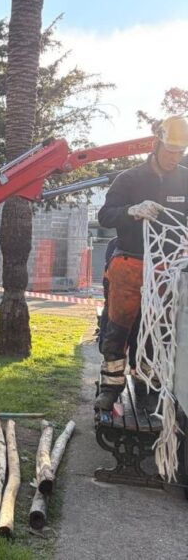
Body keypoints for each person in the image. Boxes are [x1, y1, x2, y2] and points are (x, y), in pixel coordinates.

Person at [95, 115, 188, 412]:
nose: (174, 158)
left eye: (180, 152)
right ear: (156, 143)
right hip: (129, 264)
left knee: (156, 331)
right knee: (117, 329)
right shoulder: (130, 179)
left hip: (167, 269)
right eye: (170, 151)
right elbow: (105, 215)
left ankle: (145, 385)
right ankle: (110, 387)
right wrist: (132, 211)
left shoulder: (185, 179)